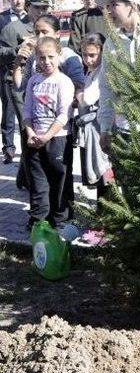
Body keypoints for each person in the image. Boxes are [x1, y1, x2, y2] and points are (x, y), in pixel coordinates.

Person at [94, 0, 140, 154]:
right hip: (125, 128)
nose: (109, 11)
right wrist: (105, 128)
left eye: (114, 5)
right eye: (107, 6)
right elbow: (106, 86)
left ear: (132, 6)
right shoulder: (112, 43)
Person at [23, 37, 75, 229]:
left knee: (59, 180)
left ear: (59, 55)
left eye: (51, 56)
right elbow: (27, 110)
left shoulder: (64, 82)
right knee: (38, 181)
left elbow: (64, 114)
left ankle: (60, 219)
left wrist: (47, 136)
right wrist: (30, 132)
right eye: (42, 57)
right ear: (36, 57)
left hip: (58, 139)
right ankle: (38, 219)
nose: (46, 62)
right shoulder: (33, 81)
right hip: (34, 138)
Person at [0, 0, 50, 185]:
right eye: (38, 7)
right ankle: (31, 179)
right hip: (18, 84)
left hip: (42, 84)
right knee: (27, 128)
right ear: (28, 7)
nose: (42, 11)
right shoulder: (13, 29)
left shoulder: (47, 26)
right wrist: (16, 50)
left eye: (45, 8)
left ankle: (23, 176)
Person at [76, 33, 113, 245]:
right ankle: (101, 224)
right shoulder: (90, 71)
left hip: (102, 132)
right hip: (92, 131)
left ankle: (105, 228)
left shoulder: (102, 72)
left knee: (105, 176)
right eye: (85, 54)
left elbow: (87, 99)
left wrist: (80, 95)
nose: (88, 59)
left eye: (92, 55)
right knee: (100, 178)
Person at [0, 0, 28, 163]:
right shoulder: (1, 19)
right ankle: (8, 148)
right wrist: (15, 51)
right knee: (8, 109)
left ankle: (27, 148)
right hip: (6, 70)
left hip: (29, 71)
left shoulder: (32, 18)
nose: (18, 1)